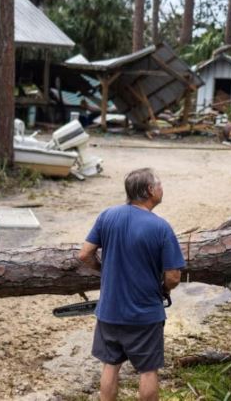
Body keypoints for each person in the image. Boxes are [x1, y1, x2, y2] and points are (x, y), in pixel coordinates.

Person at [78, 168, 185, 401]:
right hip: (144, 315)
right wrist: (165, 289)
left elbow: (85, 254)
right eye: (160, 184)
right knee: (147, 370)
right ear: (149, 190)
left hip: (109, 312)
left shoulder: (107, 216)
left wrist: (103, 269)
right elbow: (174, 277)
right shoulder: (161, 227)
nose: (162, 188)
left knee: (110, 365)